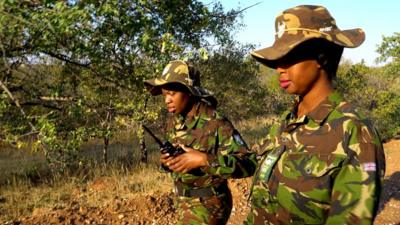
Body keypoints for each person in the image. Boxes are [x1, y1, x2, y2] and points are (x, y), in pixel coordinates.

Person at [244, 5, 386, 225]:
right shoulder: (288, 121)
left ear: (322, 57)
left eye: (290, 56)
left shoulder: (355, 132)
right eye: (278, 58)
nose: (280, 68)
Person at [144, 60, 257, 225]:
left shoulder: (216, 122)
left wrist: (203, 160)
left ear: (189, 92)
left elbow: (249, 163)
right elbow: (178, 158)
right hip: (183, 202)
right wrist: (168, 162)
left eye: (172, 94)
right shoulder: (175, 120)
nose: (167, 100)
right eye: (164, 94)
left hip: (210, 204)